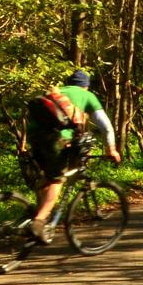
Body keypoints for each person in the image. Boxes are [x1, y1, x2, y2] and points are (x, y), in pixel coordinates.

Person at [26, 69, 120, 243]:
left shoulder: (56, 92)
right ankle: (39, 222)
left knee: (46, 177)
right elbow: (106, 126)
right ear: (86, 86)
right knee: (57, 180)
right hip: (57, 140)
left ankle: (38, 216)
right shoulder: (87, 96)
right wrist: (111, 149)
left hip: (34, 137)